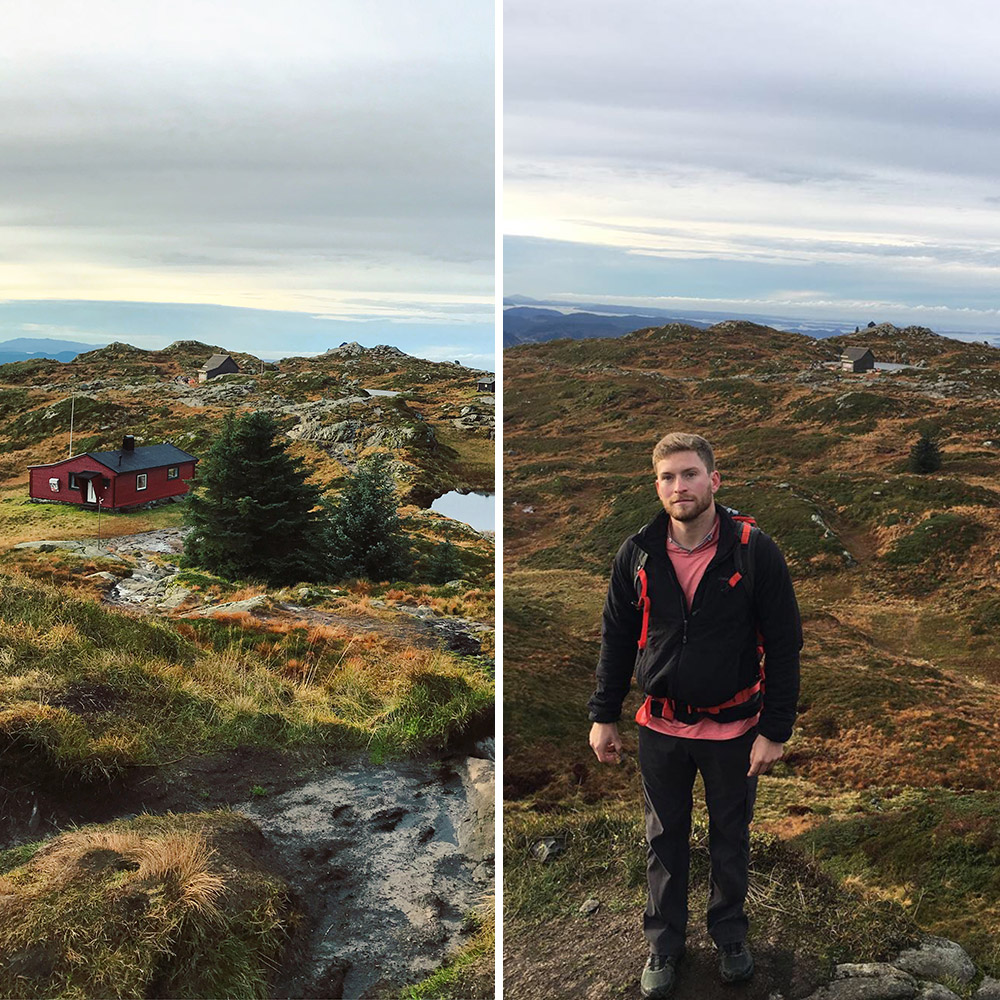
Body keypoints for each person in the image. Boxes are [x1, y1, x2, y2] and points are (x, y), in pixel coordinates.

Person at [588, 432, 802, 999]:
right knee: (664, 837)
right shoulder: (637, 552)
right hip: (660, 728)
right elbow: (615, 637)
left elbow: (785, 644)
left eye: (689, 474)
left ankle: (730, 935)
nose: (679, 487)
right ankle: (664, 944)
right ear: (656, 485)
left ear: (713, 480)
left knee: (731, 834)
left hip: (736, 730)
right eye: (667, 477)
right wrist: (603, 715)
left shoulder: (754, 549)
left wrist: (774, 731)